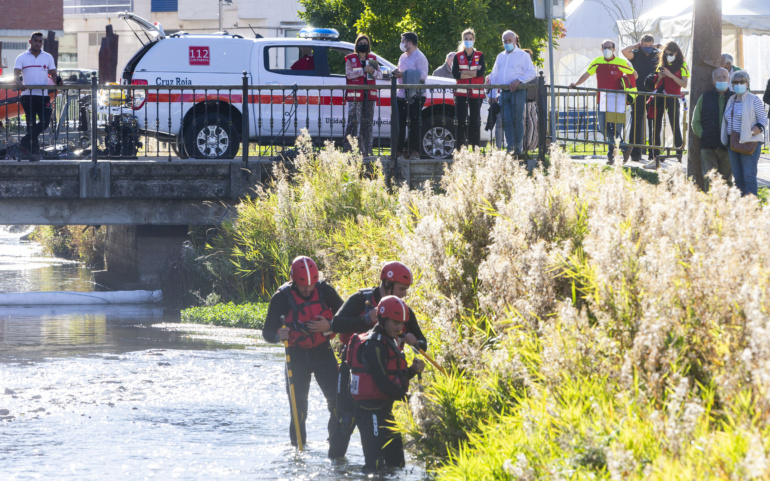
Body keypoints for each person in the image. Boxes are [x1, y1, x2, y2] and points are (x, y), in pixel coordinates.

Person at [328, 261, 427, 459]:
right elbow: (336, 324)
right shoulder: (360, 299)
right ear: (388, 284)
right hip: (353, 371)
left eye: (406, 289)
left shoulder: (402, 311)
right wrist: (366, 319)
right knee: (346, 420)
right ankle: (336, 468)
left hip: (384, 376)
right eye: (401, 289)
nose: (404, 294)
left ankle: (383, 466)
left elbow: (423, 344)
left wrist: (416, 342)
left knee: (385, 428)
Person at [262, 255, 344, 448]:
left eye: (311, 285)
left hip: (323, 353)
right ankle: (298, 454)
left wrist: (330, 325)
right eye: (303, 285)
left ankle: (335, 444)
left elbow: (345, 317)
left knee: (338, 404)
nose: (308, 289)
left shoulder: (325, 291)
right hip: (296, 357)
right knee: (299, 411)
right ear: (292, 279)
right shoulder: (281, 298)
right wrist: (277, 336)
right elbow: (266, 332)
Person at [348, 295, 425, 471]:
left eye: (401, 324)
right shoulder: (373, 344)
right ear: (382, 318)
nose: (399, 328)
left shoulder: (388, 341)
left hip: (383, 409)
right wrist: (409, 398)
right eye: (395, 323)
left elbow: (392, 377)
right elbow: (382, 382)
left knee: (396, 463)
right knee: (374, 465)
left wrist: (412, 370)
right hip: (369, 411)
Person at [569, 39, 636, 164]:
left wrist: (624, 82)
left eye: (609, 47)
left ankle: (611, 157)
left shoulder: (621, 62)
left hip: (617, 99)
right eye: (605, 47)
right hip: (603, 99)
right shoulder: (597, 61)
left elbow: (634, 75)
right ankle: (624, 147)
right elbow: (586, 74)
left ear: (614, 49)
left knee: (615, 130)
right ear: (601, 49)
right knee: (603, 127)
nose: (607, 50)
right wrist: (576, 83)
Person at [488, 30, 536, 156]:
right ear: (502, 42)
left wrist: (519, 80)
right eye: (505, 41)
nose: (507, 43)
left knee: (517, 120)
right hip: (504, 92)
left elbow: (532, 73)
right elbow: (494, 75)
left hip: (518, 92)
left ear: (515, 41)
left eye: (510, 40)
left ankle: (518, 148)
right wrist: (492, 95)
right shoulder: (500, 56)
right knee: (506, 121)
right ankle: (510, 148)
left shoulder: (522, 55)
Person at [13, 31, 60, 162]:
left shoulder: (48, 57)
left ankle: (23, 142)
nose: (38, 44)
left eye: (40, 41)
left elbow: (54, 74)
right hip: (27, 96)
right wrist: (18, 82)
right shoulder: (21, 57)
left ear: (42, 43)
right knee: (31, 125)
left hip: (43, 95)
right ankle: (34, 154)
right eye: (35, 41)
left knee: (45, 122)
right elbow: (16, 75)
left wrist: (58, 79)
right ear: (30, 42)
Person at [720, 70, 768, 196]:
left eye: (742, 81)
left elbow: (763, 120)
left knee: (749, 176)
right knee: (738, 177)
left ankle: (751, 208)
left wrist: (750, 133)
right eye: (735, 82)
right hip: (733, 142)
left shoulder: (754, 100)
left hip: (749, 142)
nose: (739, 84)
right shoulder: (731, 99)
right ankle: (741, 208)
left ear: (747, 84)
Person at [691, 67, 734, 191]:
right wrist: (704, 135)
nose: (721, 80)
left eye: (724, 77)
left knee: (727, 181)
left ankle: (725, 207)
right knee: (710, 179)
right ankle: (710, 207)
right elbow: (696, 122)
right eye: (718, 78)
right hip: (708, 147)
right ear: (713, 81)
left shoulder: (734, 98)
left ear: (729, 79)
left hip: (728, 147)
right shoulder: (704, 97)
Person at [647, 41, 688, 167]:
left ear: (677, 53)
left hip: (673, 97)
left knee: (675, 125)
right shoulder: (662, 64)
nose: (669, 56)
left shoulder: (682, 65)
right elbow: (656, 84)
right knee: (656, 127)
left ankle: (679, 153)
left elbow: (684, 84)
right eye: (666, 53)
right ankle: (656, 155)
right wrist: (659, 77)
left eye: (671, 54)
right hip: (660, 97)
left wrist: (671, 75)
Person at [622, 35, 661, 162]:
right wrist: (636, 46)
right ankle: (635, 153)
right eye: (646, 45)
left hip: (653, 93)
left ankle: (653, 153)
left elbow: (669, 50)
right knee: (636, 122)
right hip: (638, 93)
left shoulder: (656, 55)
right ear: (641, 43)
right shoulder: (636, 54)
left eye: (650, 45)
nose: (648, 48)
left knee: (653, 123)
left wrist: (656, 47)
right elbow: (624, 51)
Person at [344, 34, 382, 157]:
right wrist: (363, 71)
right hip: (355, 94)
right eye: (361, 43)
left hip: (369, 94)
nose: (363, 45)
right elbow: (349, 74)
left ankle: (366, 151)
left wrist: (373, 71)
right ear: (357, 45)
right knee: (353, 122)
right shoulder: (350, 59)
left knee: (367, 123)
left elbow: (380, 75)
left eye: (365, 44)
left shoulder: (372, 59)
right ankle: (349, 151)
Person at [392, 32, 429, 160]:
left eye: (403, 41)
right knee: (400, 123)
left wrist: (405, 74)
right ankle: (399, 150)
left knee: (414, 123)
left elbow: (423, 75)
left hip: (416, 95)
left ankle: (415, 151)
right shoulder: (402, 57)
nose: (401, 43)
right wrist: (397, 73)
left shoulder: (420, 57)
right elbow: (399, 70)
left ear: (409, 42)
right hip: (402, 93)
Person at [452, 29, 486, 149]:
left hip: (476, 94)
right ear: (463, 40)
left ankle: (475, 148)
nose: (468, 41)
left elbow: (481, 72)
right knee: (461, 121)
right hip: (461, 93)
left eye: (470, 39)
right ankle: (460, 149)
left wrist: (464, 72)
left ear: (474, 40)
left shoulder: (480, 55)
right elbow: (455, 74)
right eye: (466, 39)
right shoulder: (457, 56)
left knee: (475, 121)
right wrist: (472, 72)